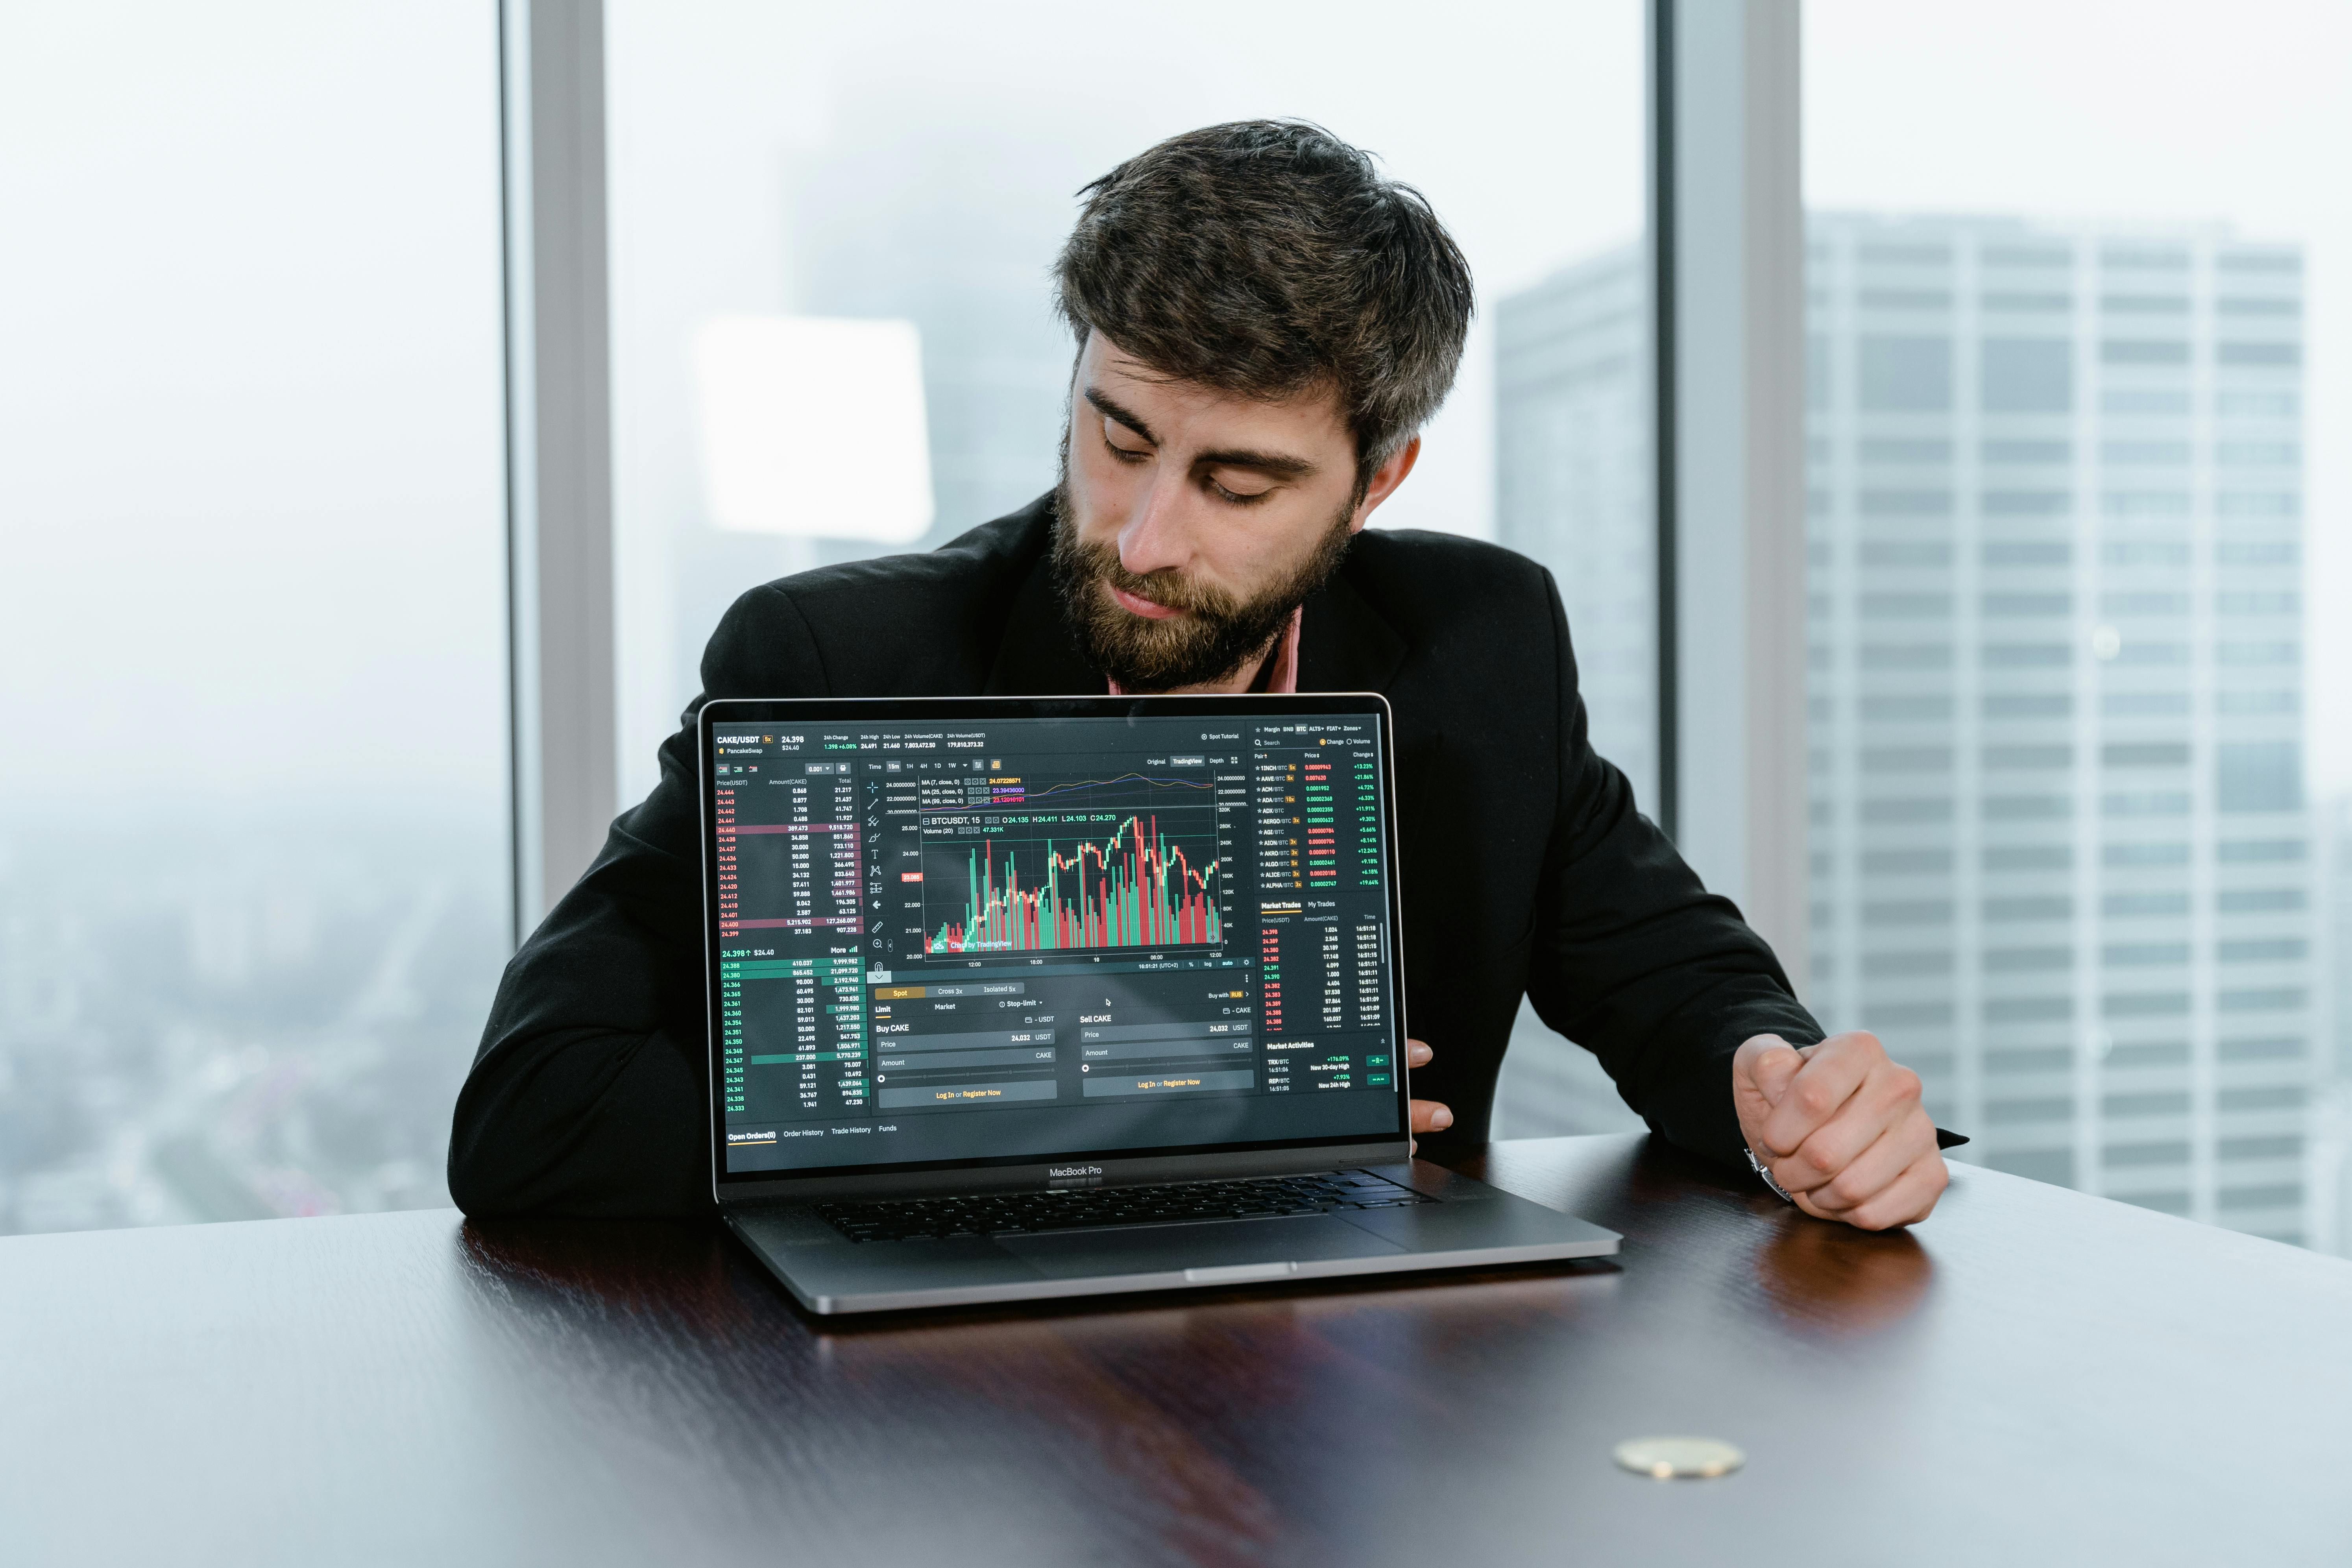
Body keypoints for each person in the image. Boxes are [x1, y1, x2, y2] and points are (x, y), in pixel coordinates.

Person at [450, 120, 1948, 1232]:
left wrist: (1780, 1090)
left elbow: (1673, 973)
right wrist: (1120, 1107)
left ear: (1375, 480)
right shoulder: (834, 658)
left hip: (1380, 1424)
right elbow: (531, 1114)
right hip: (946, 1416)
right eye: (1116, 438)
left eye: (1236, 482)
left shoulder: (1483, 640)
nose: (1141, 539)